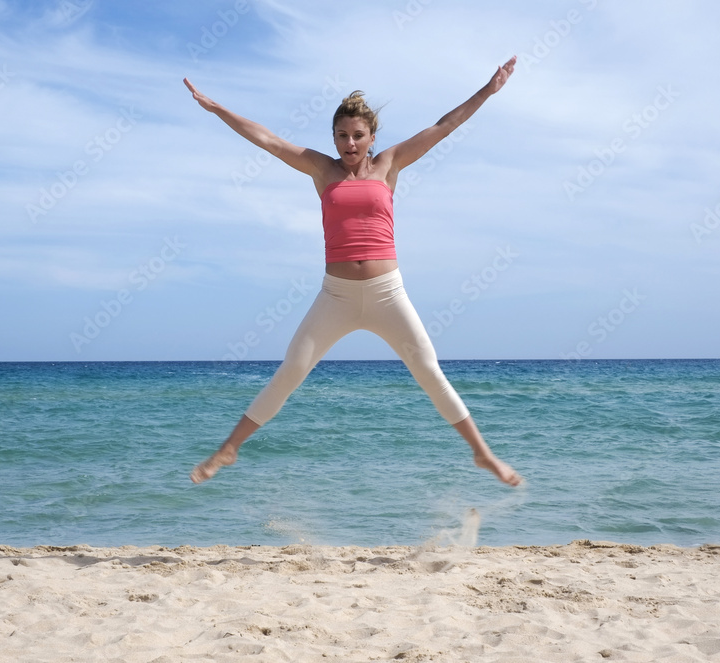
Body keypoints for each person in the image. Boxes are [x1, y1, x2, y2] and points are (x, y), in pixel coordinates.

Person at [185, 56, 522, 487]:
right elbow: (267, 139)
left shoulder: (390, 164)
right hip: (337, 296)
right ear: (333, 137)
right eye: (341, 136)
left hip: (388, 293)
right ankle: (228, 449)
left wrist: (487, 90)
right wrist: (217, 109)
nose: (349, 144)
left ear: (371, 137)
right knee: (291, 371)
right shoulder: (322, 169)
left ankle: (482, 453)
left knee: (428, 371)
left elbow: (443, 126)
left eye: (357, 136)